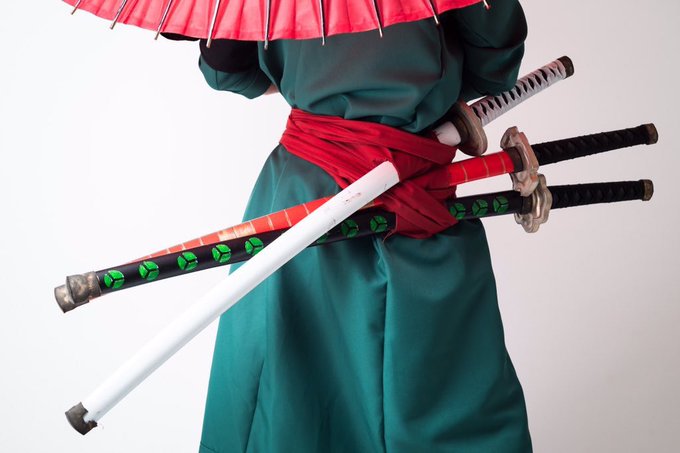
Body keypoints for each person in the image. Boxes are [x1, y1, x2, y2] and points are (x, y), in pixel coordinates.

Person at [190, 1, 531, 451]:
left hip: (304, 199)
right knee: (448, 399)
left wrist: (313, 76)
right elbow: (495, 69)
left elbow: (227, 72)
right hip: (419, 191)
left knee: (288, 399)